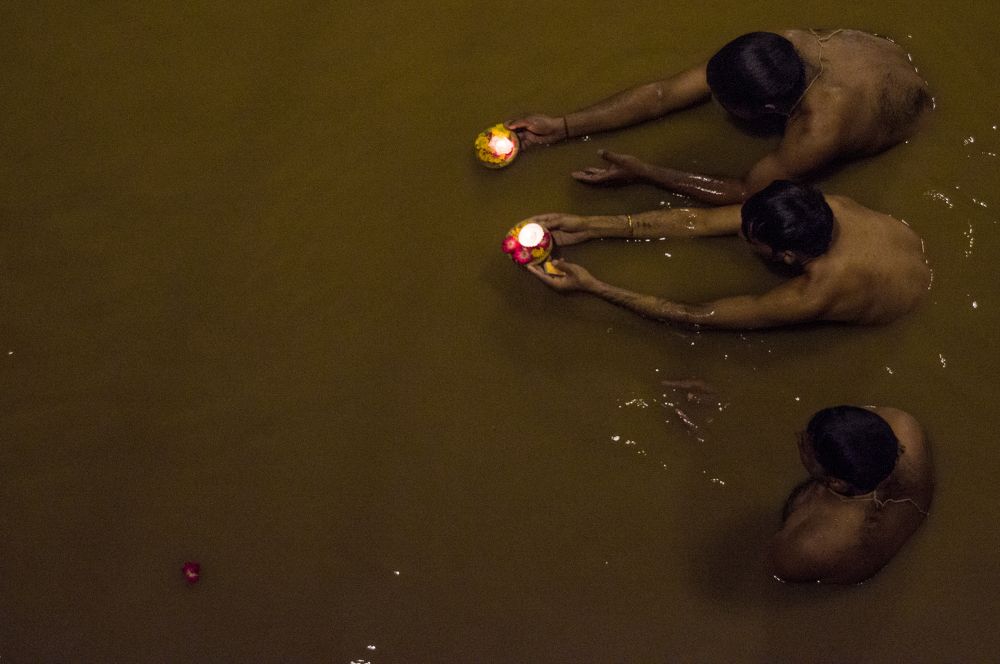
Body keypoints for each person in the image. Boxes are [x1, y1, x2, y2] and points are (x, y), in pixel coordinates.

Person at [507, 30, 932, 204]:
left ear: (769, 111)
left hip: (906, 117)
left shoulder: (817, 131)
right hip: (878, 58)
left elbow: (747, 190)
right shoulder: (782, 43)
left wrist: (646, 173)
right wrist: (563, 126)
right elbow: (662, 94)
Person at [524, 181, 930, 329]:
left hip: (903, 306)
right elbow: (699, 221)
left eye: (751, 240)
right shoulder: (823, 207)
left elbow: (698, 314)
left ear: (788, 257)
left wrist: (594, 287)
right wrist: (591, 225)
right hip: (909, 244)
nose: (738, 235)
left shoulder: (818, 292)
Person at [769, 405, 933, 584]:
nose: (799, 436)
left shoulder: (806, 546)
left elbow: (778, 572)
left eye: (806, 446)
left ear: (836, 483)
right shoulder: (903, 425)